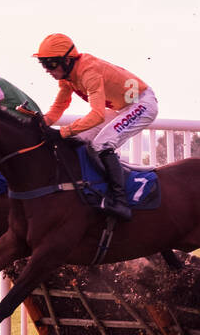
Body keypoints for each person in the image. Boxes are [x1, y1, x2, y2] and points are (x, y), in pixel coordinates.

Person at [34, 33, 158, 220]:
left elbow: (98, 115)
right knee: (80, 140)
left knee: (101, 144)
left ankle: (120, 201)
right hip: (124, 107)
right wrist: (38, 125)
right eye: (43, 64)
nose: (47, 70)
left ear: (67, 60)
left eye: (50, 63)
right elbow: (59, 107)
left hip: (141, 103)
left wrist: (62, 132)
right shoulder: (66, 78)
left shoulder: (88, 72)